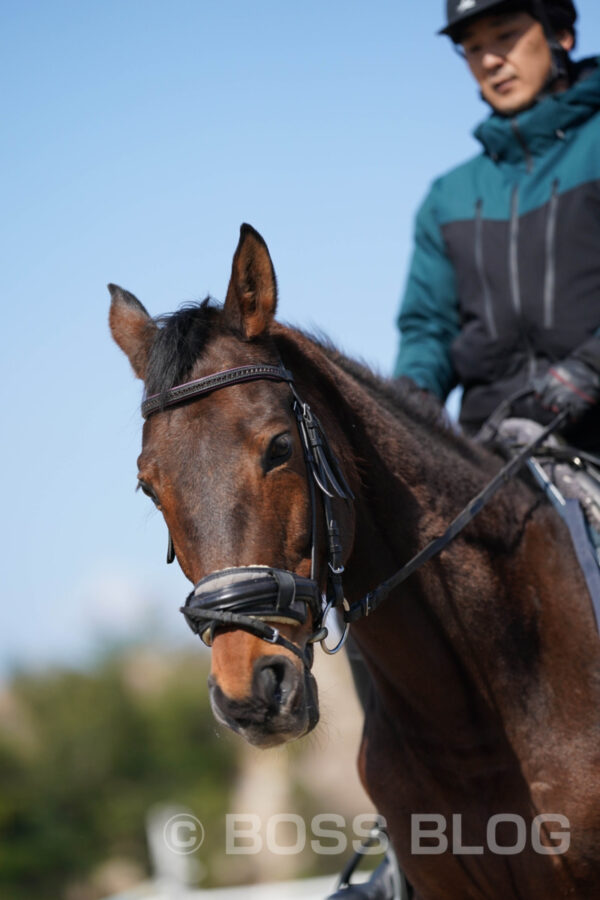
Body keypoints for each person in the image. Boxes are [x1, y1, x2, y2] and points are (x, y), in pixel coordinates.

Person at [394, 0, 600, 454]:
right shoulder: (448, 195)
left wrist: (587, 372)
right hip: (493, 452)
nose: (490, 60)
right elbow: (429, 327)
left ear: (560, 34)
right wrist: (407, 402)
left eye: (506, 36)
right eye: (473, 48)